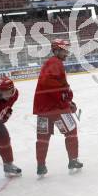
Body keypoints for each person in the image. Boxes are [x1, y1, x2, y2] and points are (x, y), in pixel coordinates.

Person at [33, 39, 82, 176]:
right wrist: (65, 102)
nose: (67, 53)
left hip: (43, 108)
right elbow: (50, 85)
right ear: (57, 50)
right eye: (65, 50)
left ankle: (41, 165)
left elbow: (58, 86)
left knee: (43, 137)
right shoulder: (55, 63)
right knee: (71, 130)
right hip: (55, 108)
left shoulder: (52, 63)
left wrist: (67, 100)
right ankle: (73, 160)